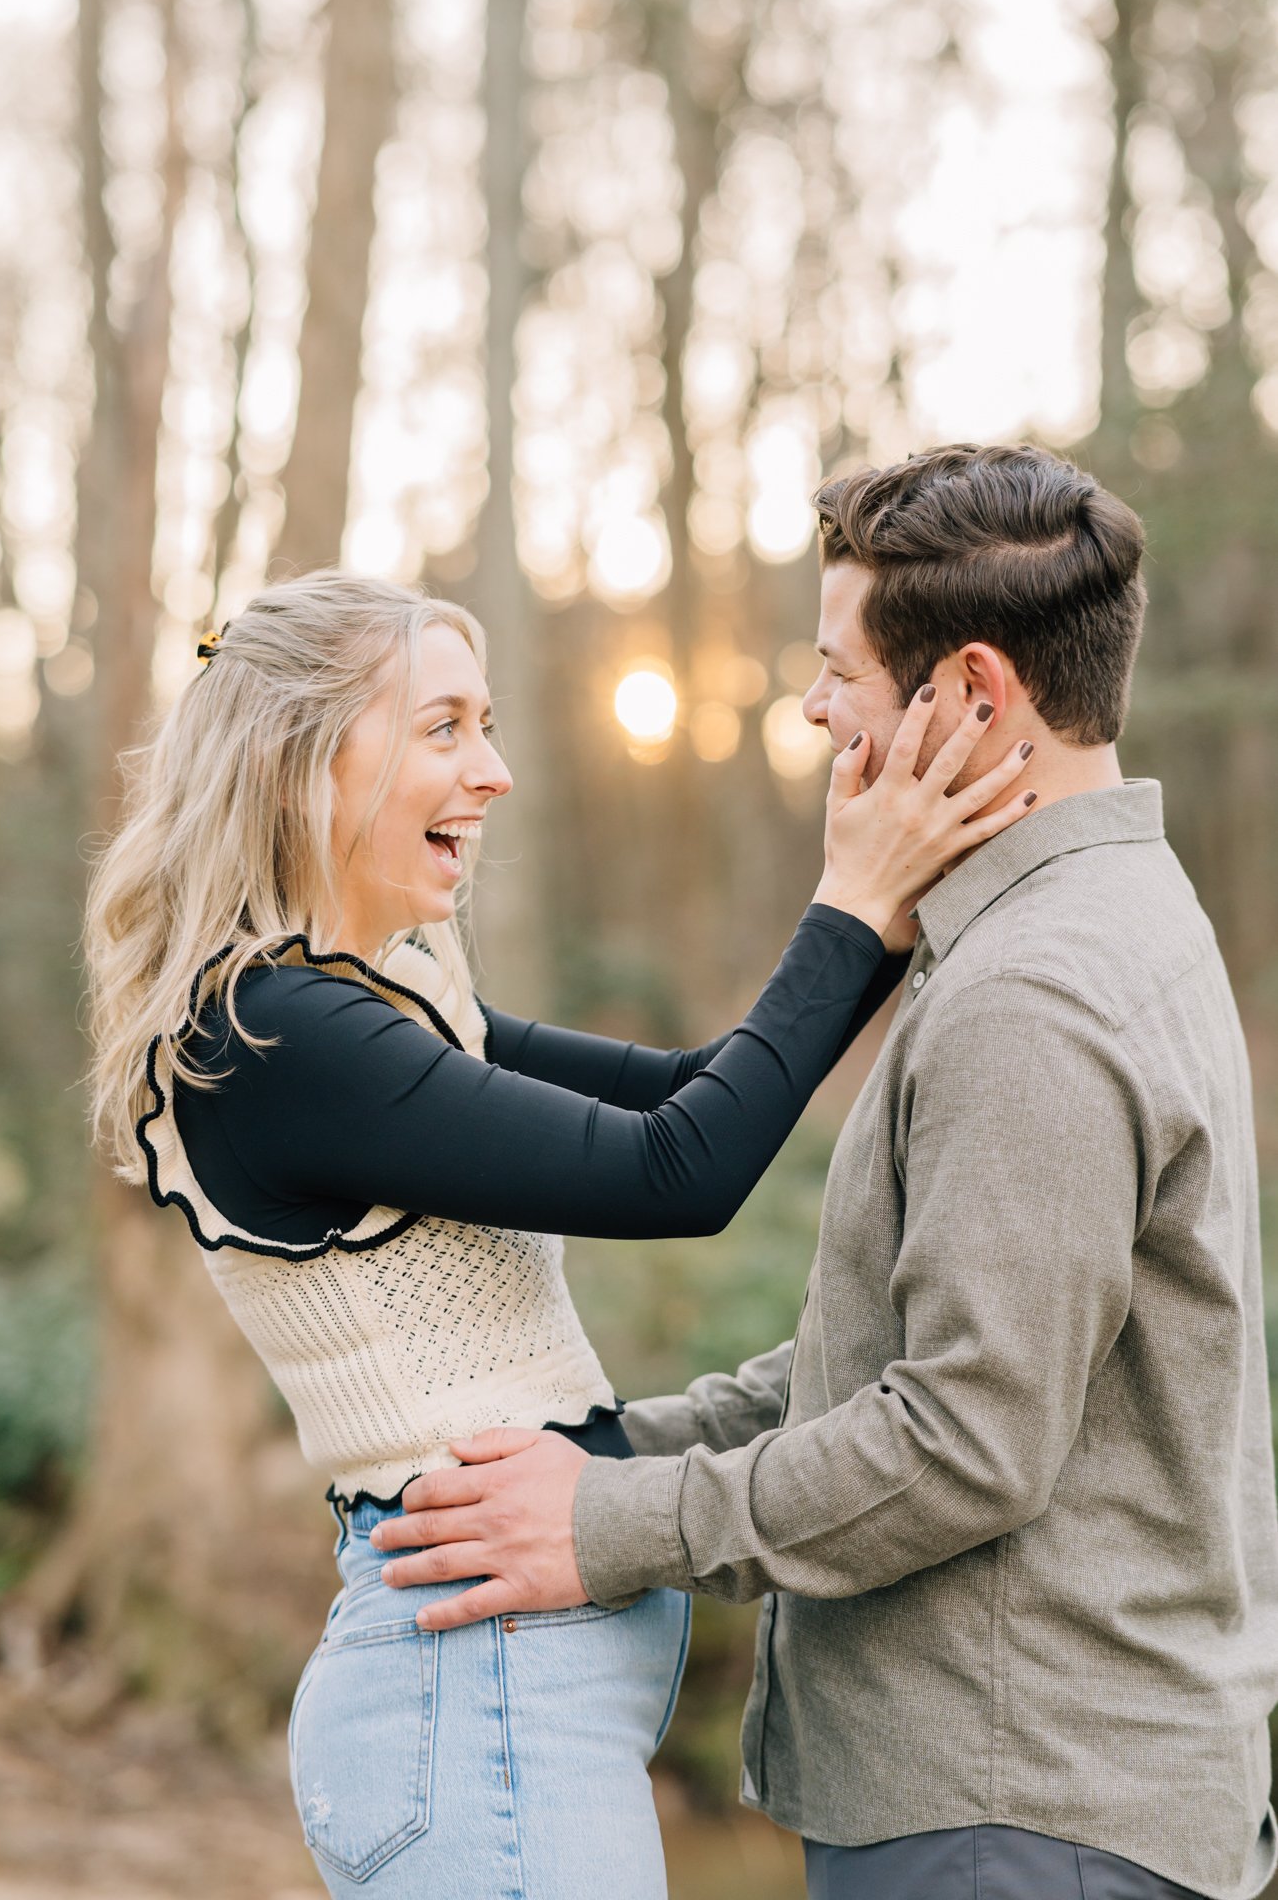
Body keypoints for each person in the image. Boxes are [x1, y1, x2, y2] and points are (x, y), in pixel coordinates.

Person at [375, 444, 1278, 1900]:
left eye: (837, 671)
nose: (810, 709)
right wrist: (604, 1451)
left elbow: (961, 1441)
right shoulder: (1109, 915)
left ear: (972, 695)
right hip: (1041, 1806)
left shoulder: (1032, 995)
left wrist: (606, 1529)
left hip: (1011, 1821)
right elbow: (906, 1350)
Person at [82, 569, 1036, 1900]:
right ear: (302, 759)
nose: (497, 772)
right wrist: (849, 898)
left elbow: (692, 1089)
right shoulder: (275, 1036)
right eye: (444, 727)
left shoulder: (389, 1001)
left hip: (506, 1701)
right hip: (475, 1697)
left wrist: (894, 879)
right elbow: (675, 1174)